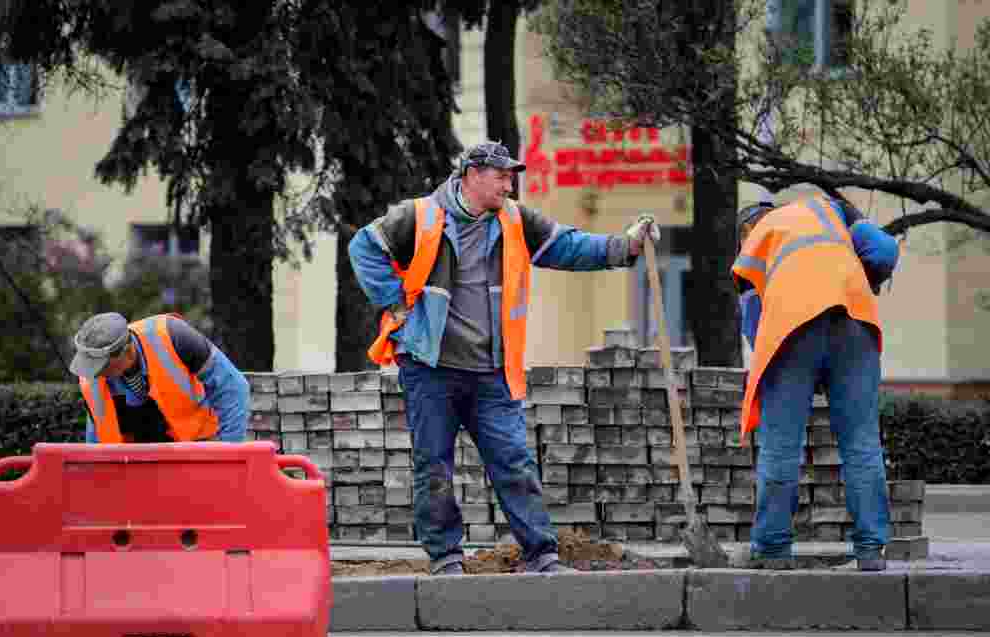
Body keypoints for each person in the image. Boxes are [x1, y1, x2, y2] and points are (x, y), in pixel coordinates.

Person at [349, 141, 660, 575]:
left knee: (514, 461)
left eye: (511, 176)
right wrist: (394, 303)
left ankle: (542, 555)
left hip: (491, 371)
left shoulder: (514, 219)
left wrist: (623, 246)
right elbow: (363, 247)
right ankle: (446, 559)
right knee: (433, 465)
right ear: (471, 174)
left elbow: (568, 245)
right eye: (501, 175)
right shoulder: (420, 216)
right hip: (430, 368)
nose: (509, 183)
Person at [732, 192, 900, 571]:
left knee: (781, 445)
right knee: (861, 443)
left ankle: (772, 550)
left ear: (745, 230)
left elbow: (757, 332)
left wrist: (797, 364)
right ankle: (871, 551)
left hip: (792, 327)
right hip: (854, 318)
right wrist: (862, 279)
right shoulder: (825, 209)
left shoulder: (754, 246)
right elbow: (885, 251)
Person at [70, 311, 250, 444]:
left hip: (197, 449)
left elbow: (233, 388)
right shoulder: (91, 376)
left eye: (101, 366)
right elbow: (96, 440)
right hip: (134, 466)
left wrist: (228, 453)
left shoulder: (173, 335)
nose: (95, 373)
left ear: (126, 351)